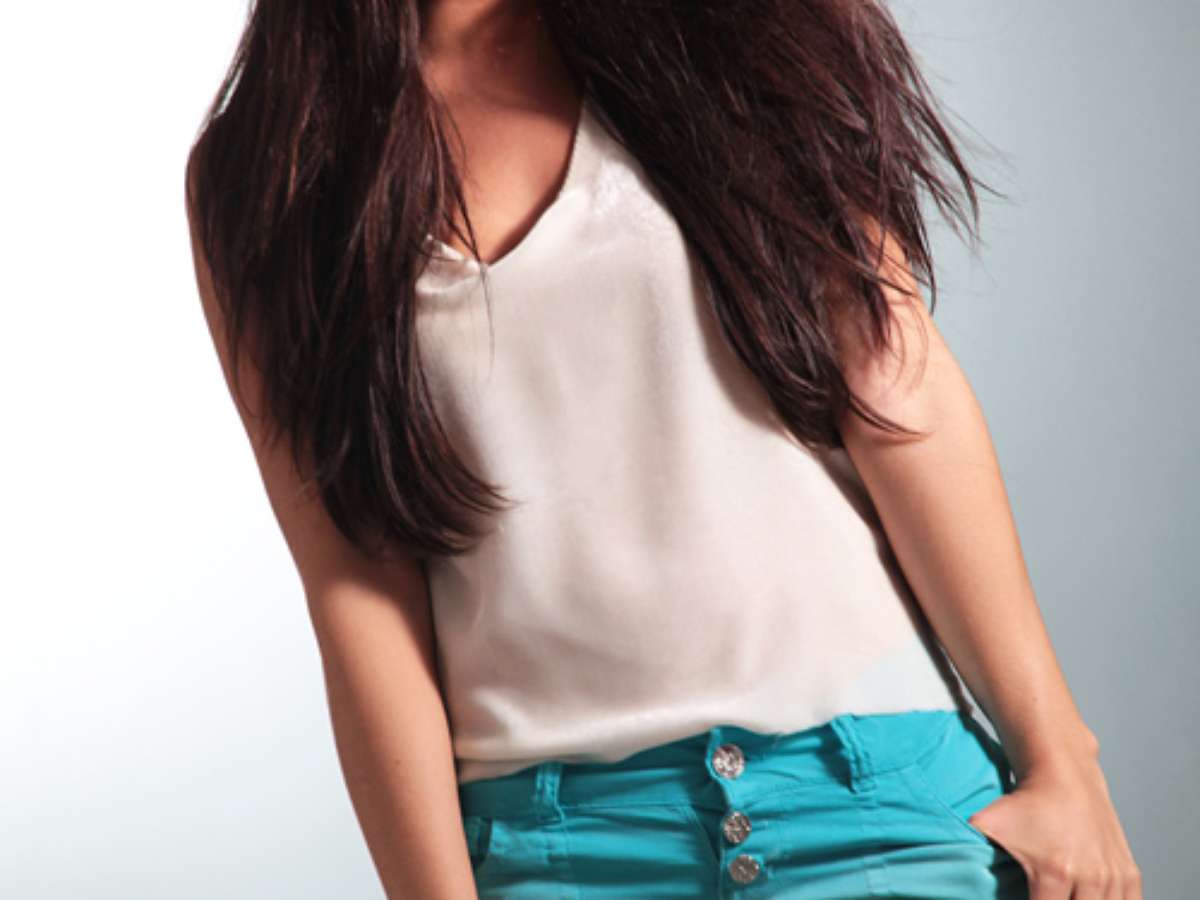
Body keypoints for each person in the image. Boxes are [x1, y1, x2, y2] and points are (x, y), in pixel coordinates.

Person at [184, 1, 1141, 897]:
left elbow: (894, 380)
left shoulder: (718, 27)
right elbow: (356, 589)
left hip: (871, 798)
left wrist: (1061, 756)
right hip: (556, 845)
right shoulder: (270, 168)